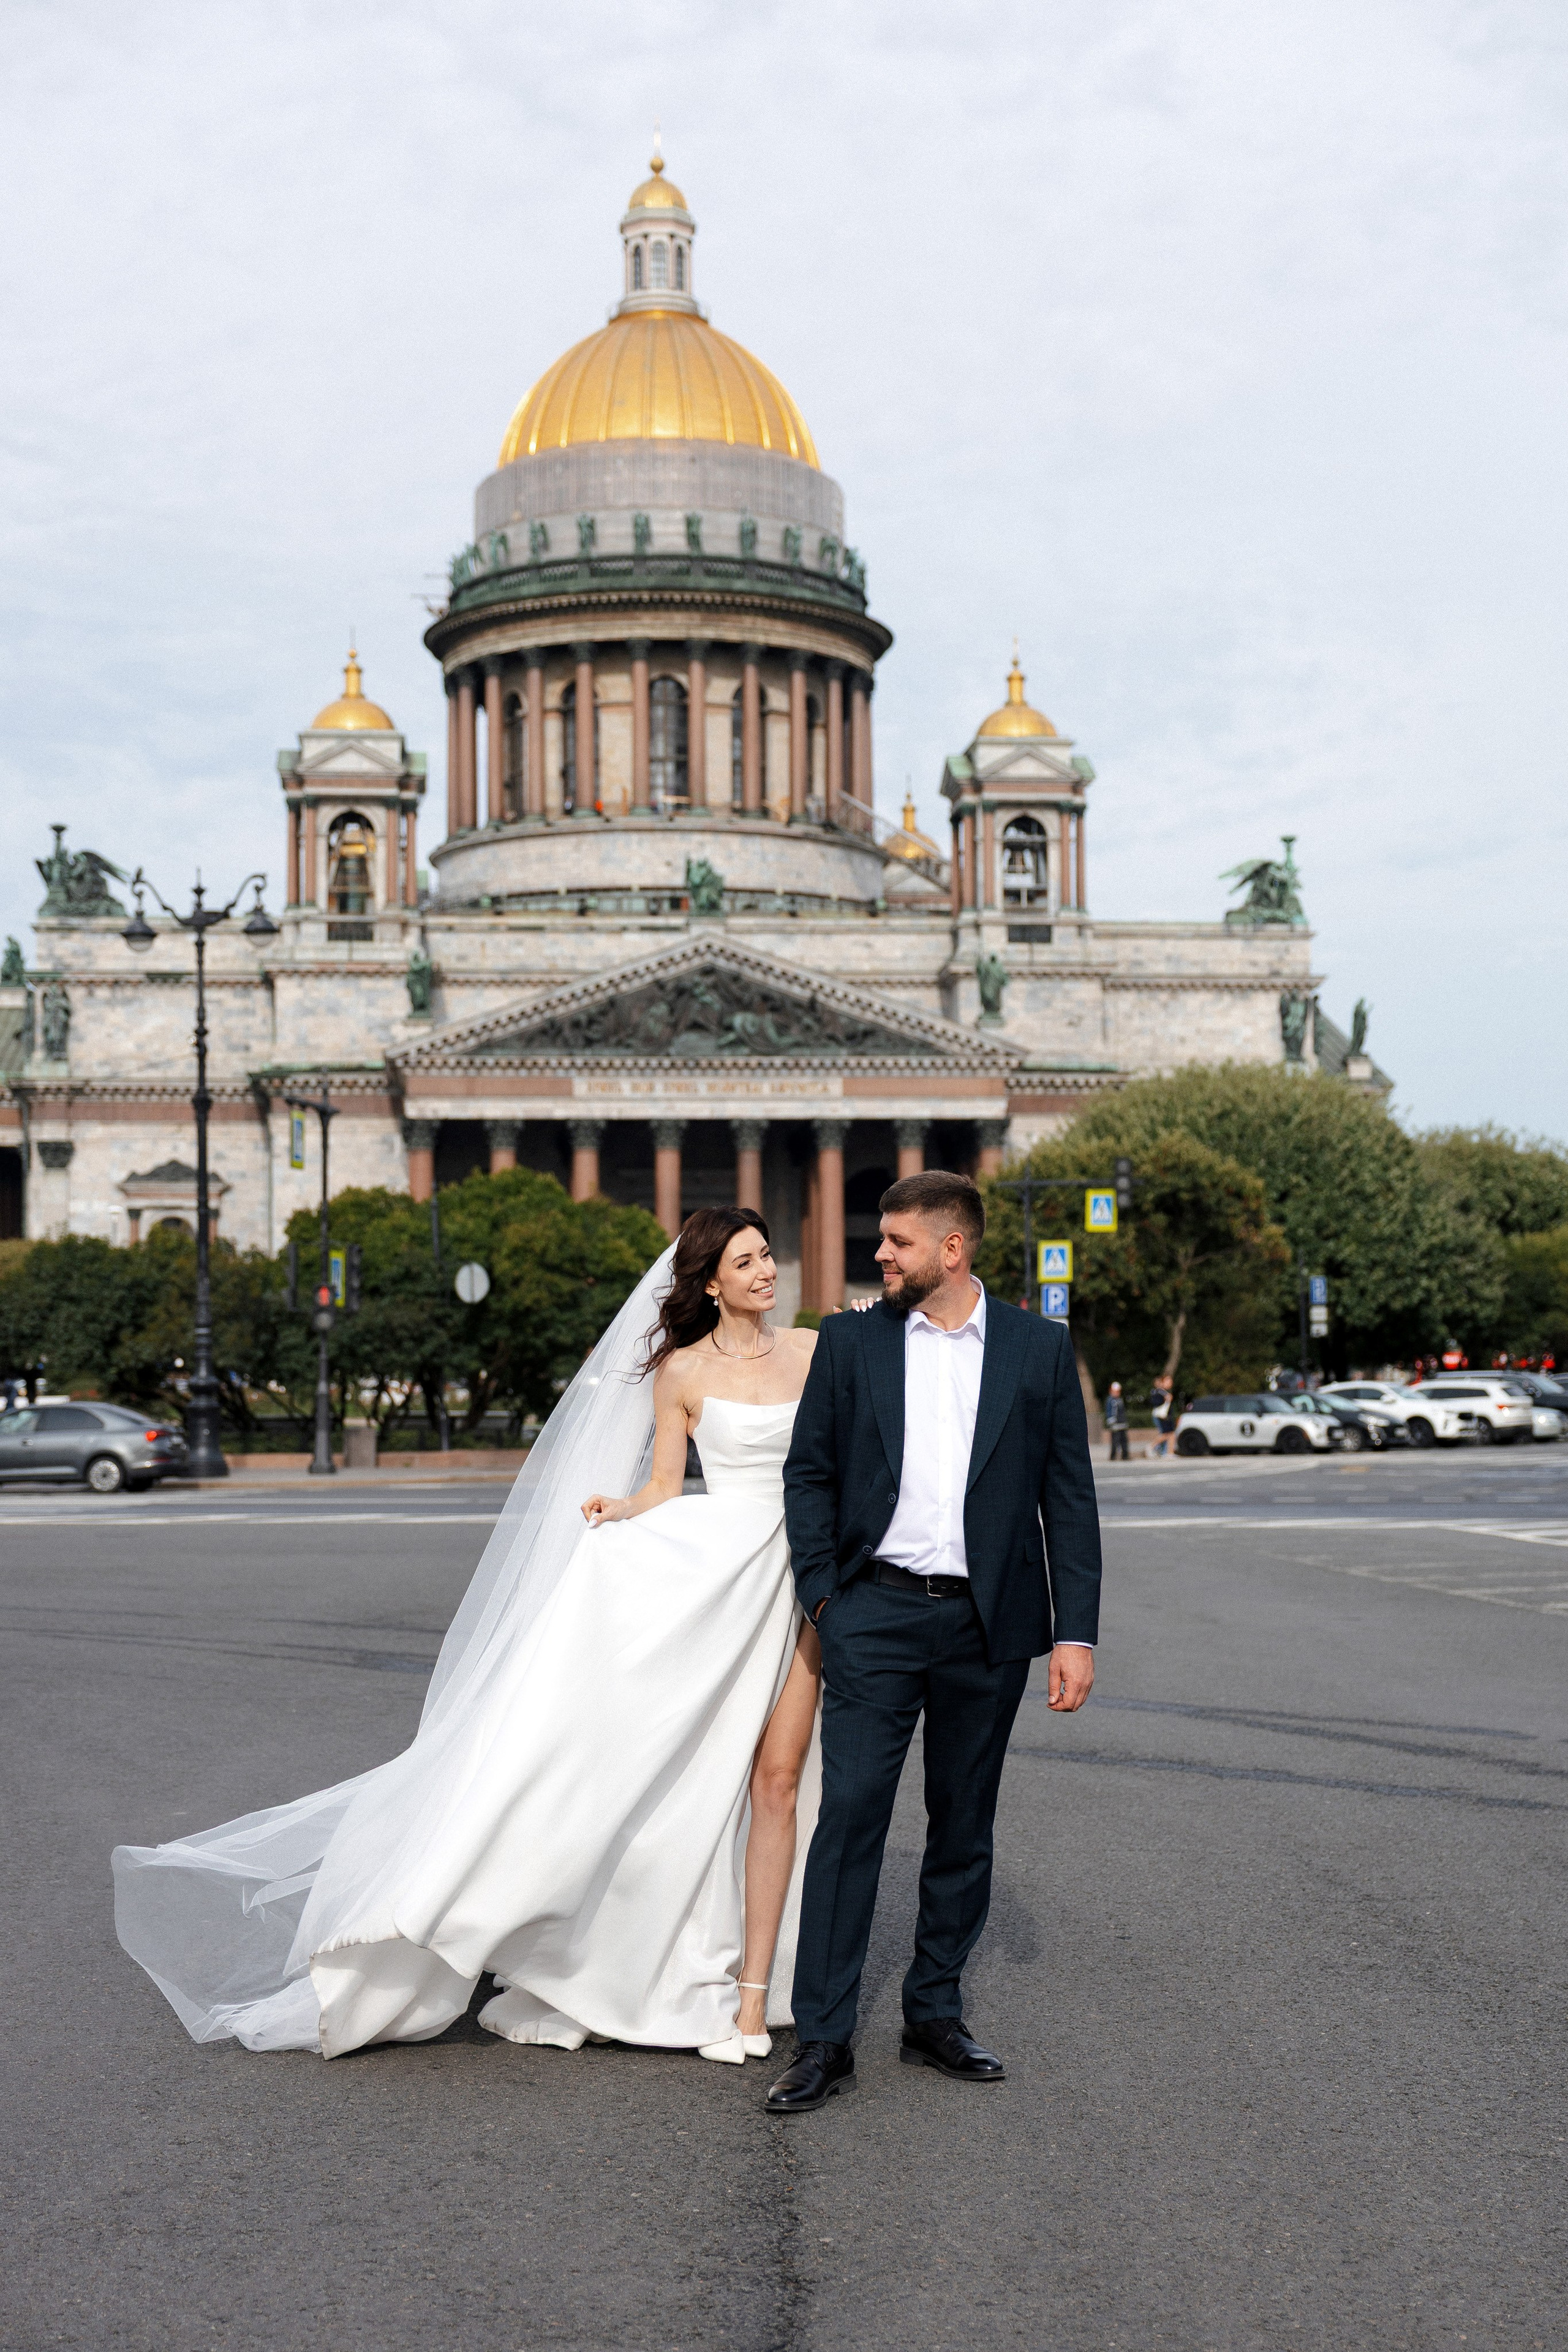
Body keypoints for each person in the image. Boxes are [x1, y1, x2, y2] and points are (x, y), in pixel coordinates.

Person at [113, 1210, 821, 2064]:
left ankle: (763, 1986)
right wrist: (623, 1508)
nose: (765, 1271)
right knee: (692, 1777)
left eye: (766, 1256)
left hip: (803, 1573)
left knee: (780, 1783)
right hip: (723, 1585)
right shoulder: (680, 1371)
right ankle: (638, 1950)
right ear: (710, 1282)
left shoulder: (815, 1350)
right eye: (746, 1262)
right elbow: (670, 1483)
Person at [765, 1170, 1101, 2115]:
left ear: (951, 1249)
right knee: (853, 1817)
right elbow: (810, 1474)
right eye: (883, 1240)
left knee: (964, 1822)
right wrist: (828, 1596)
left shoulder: (1040, 1350)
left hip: (988, 1624)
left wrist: (1074, 1632)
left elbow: (1067, 1503)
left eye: (898, 1242)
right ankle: (825, 2035)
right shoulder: (851, 1341)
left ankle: (934, 2010)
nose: (880, 1254)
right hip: (873, 1614)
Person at [1148, 1373, 1174, 1456]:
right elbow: (1155, 1403)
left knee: (1169, 1434)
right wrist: (1165, 1399)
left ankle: (1166, 1452)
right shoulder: (1159, 1392)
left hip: (1165, 1416)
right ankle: (1153, 1448)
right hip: (1161, 1416)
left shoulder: (1165, 1392)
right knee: (1165, 1434)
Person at [1104, 1380, 1129, 1461]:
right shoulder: (1110, 1401)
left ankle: (1125, 1456)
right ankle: (1113, 1456)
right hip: (1115, 1424)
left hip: (1122, 1423)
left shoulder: (1119, 1400)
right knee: (1115, 1441)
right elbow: (1109, 1412)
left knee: (1124, 1441)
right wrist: (1111, 1422)